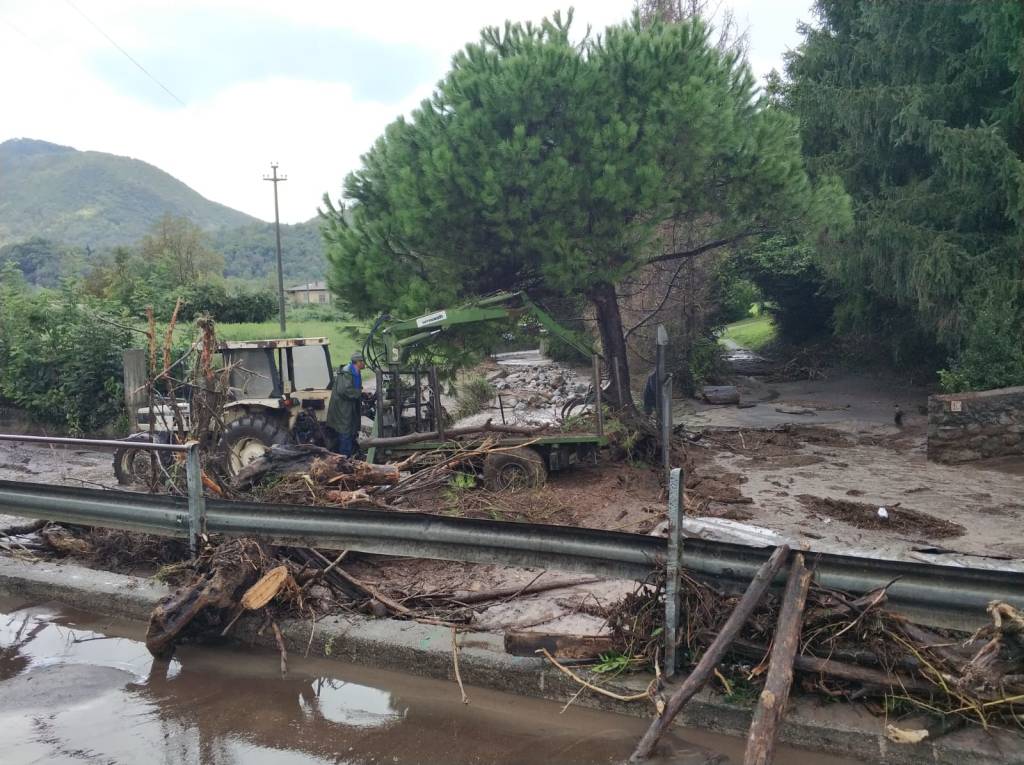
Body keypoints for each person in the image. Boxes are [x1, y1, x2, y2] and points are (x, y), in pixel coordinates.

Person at [327, 352, 366, 457]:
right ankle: (345, 458)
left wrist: (361, 393)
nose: (365, 363)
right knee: (345, 430)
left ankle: (351, 454)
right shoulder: (347, 372)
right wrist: (358, 393)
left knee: (352, 428)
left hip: (350, 406)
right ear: (358, 362)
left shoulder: (355, 371)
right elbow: (344, 390)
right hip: (343, 407)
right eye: (363, 361)